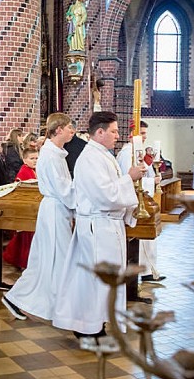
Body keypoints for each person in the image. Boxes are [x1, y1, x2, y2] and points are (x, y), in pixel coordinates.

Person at [52, 111, 144, 338]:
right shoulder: (90, 158)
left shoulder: (102, 155)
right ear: (100, 132)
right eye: (113, 131)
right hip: (97, 226)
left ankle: (97, 322)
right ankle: (86, 326)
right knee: (95, 278)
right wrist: (129, 178)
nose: (117, 135)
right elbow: (105, 194)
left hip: (106, 226)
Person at [1, 113, 76, 321]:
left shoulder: (56, 153)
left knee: (46, 260)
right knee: (54, 258)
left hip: (57, 209)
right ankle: (57, 305)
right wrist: (82, 198)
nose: (73, 131)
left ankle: (20, 299)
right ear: (58, 129)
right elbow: (64, 190)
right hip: (54, 210)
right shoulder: (51, 156)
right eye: (70, 127)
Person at [116, 120, 165, 283]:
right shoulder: (127, 154)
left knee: (147, 240)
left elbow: (145, 174)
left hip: (145, 199)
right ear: (132, 134)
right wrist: (153, 182)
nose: (145, 137)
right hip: (135, 202)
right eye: (142, 133)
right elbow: (127, 179)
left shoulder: (138, 152)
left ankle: (147, 270)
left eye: (145, 133)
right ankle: (142, 271)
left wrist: (155, 179)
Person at [3, 148, 39, 270]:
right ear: (24, 160)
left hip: (35, 208)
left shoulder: (35, 170)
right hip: (26, 209)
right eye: (32, 158)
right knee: (25, 238)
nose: (35, 161)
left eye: (37, 158)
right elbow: (19, 190)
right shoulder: (23, 172)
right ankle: (24, 261)